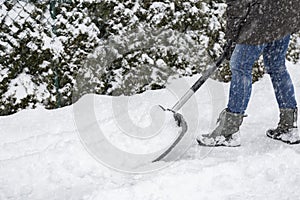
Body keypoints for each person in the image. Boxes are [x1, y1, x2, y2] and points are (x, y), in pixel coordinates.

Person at [197, 0, 300, 146]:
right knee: (277, 67)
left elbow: (238, 4)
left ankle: (229, 131)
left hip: (262, 17)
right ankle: (288, 125)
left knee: (240, 67)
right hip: (285, 12)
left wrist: (232, 38)